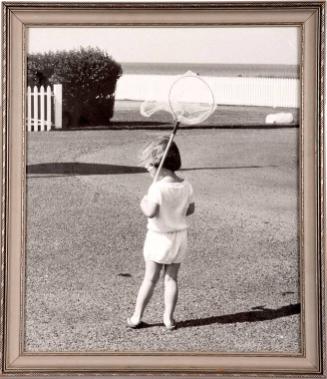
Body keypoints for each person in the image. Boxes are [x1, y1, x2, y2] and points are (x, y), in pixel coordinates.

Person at [127, 136, 195, 330]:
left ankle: (136, 316)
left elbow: (151, 212)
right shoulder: (185, 185)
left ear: (158, 163)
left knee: (150, 278)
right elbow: (189, 210)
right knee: (171, 278)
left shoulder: (157, 188)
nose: (148, 169)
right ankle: (169, 318)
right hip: (179, 238)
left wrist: (143, 201)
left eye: (149, 165)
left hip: (159, 238)